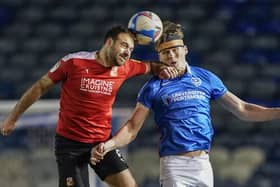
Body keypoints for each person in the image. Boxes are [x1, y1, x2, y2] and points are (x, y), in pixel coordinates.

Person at [90, 21, 280, 187]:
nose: (171, 56)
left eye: (174, 50)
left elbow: (242, 109)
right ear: (159, 57)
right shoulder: (153, 87)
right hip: (174, 166)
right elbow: (132, 128)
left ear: (185, 50)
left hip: (204, 164)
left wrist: (277, 112)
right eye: (165, 53)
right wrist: (109, 145)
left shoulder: (206, 78)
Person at [0, 25, 179, 187]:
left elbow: (151, 66)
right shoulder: (74, 62)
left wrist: (164, 69)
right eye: (124, 45)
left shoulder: (126, 67)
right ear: (109, 42)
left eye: (131, 49)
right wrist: (12, 118)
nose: (127, 53)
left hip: (101, 143)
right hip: (70, 146)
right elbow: (40, 86)